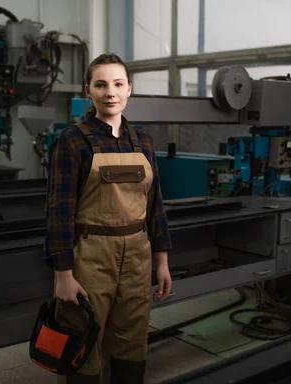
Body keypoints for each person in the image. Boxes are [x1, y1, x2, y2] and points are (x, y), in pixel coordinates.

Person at [44, 53, 173, 384]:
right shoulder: (72, 140)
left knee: (132, 342)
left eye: (118, 84)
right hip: (90, 256)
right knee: (82, 342)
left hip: (138, 255)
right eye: (100, 84)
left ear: (129, 88)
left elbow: (154, 203)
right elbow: (59, 211)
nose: (110, 92)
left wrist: (162, 261)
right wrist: (63, 276)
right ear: (89, 90)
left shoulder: (143, 141)